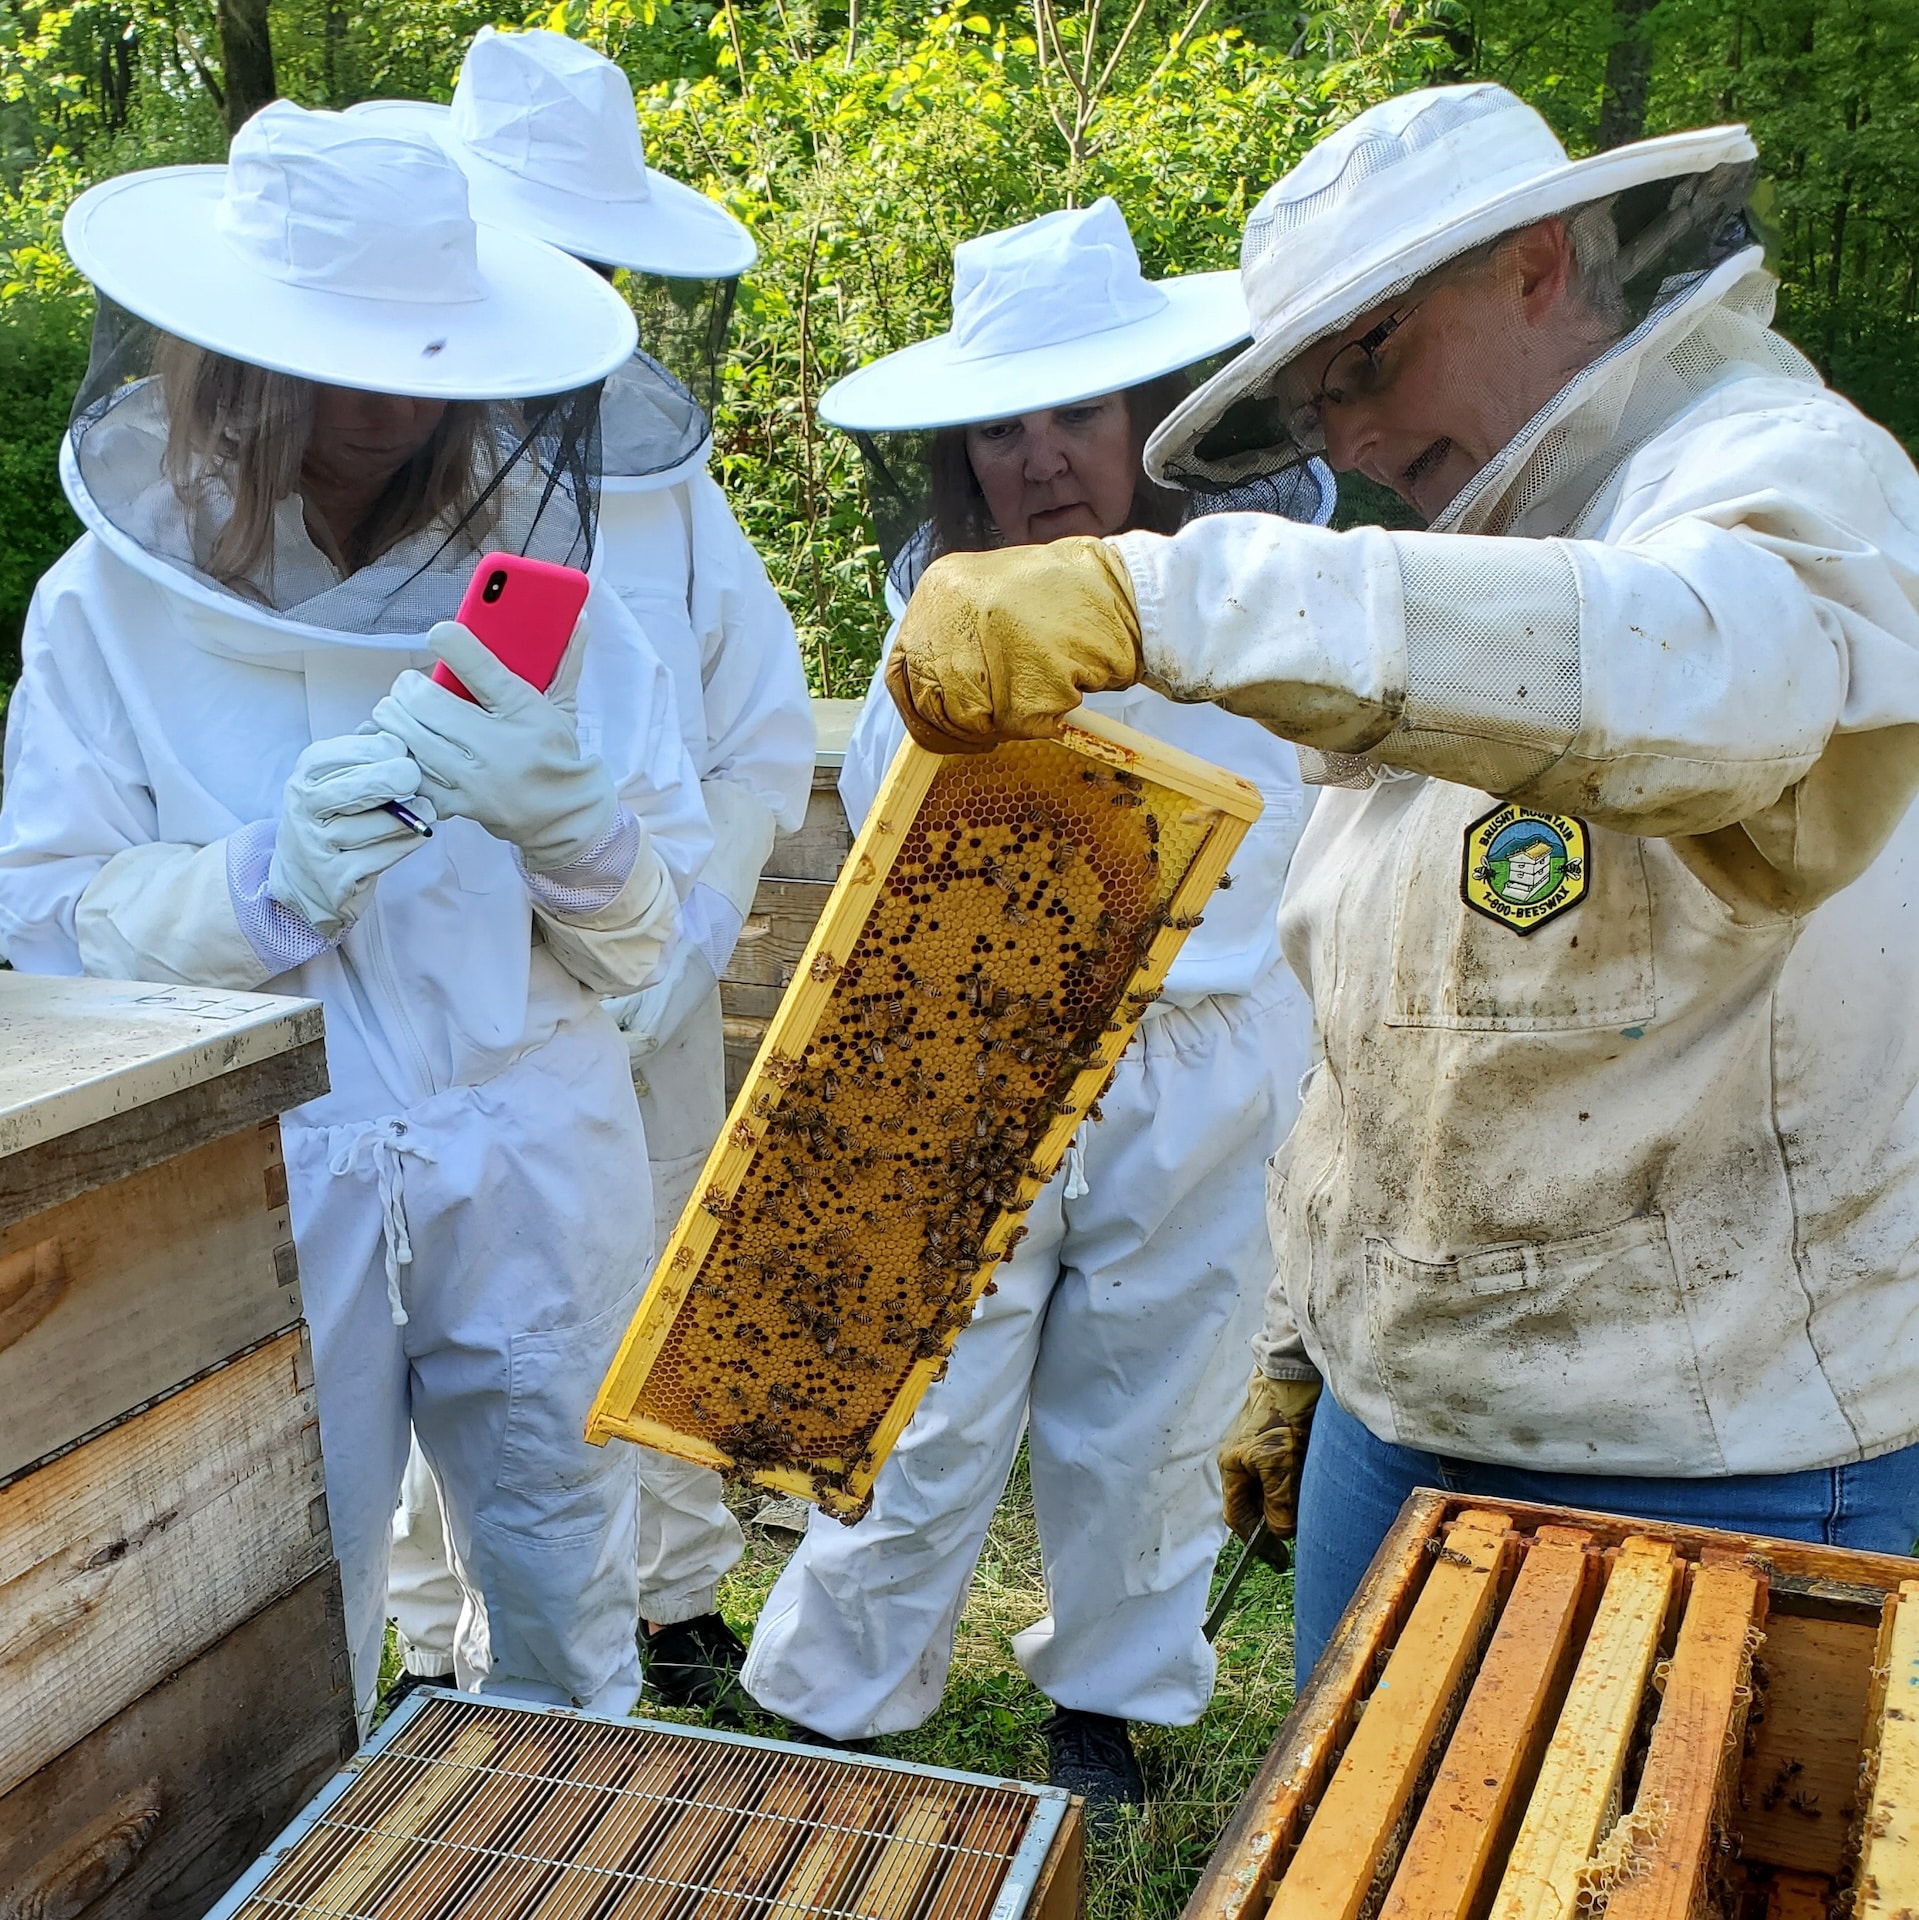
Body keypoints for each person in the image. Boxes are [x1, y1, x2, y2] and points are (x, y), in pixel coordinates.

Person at [879, 83, 1919, 1686]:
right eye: (1316, 398)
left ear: (1539, 264)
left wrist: (1164, 590)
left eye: (1370, 358)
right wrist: (1308, 1355)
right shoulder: (1449, 582)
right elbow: (1385, 1028)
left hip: (1730, 1451)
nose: (1353, 443)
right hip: (1400, 1429)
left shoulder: (1778, 473)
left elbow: (1735, 689)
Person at [0, 103, 713, 1724]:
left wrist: (576, 833)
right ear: (230, 365)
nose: (393, 407)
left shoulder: (569, 605)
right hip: (262, 1166)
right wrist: (261, 886)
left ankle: (555, 1847)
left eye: (430, 361)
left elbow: (656, 955)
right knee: (275, 1591)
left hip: (532, 1147)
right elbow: (47, 932)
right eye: (343, 359)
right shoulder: (102, 611)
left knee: (558, 1569)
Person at [741, 199, 1330, 1809]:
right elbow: (884, 843)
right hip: (970, 1048)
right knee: (920, 1398)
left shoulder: (1269, 610)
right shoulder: (930, 636)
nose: (1039, 456)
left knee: (1155, 1402)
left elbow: (1320, 844)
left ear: (1156, 419)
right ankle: (840, 1699)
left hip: (1205, 1060)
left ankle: (1107, 1708)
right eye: (1000, 428)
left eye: (1077, 411)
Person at [353, 27, 813, 1716]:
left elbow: (763, 739)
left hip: (653, 982)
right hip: (450, 1007)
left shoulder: (675, 492)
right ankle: (428, 1651)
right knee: (444, 1335)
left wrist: (683, 933)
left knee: (637, 1318)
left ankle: (672, 1608)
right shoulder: (360, 467)